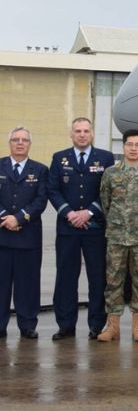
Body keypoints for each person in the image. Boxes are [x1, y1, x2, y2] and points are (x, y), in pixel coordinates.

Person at [47, 117, 115, 340]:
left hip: (95, 228)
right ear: (71, 134)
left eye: (86, 131)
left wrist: (89, 212)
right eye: (78, 131)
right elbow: (53, 190)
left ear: (92, 133)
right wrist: (70, 213)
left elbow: (108, 191)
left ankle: (97, 325)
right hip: (68, 228)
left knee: (98, 278)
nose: (82, 134)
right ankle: (66, 325)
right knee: (66, 276)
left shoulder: (105, 158)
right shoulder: (59, 158)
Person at [95, 129, 138, 342]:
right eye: (129, 144)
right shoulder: (111, 174)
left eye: (137, 145)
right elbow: (106, 202)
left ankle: (137, 327)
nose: (133, 148)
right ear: (123, 147)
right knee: (113, 281)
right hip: (116, 237)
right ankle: (112, 327)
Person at [0, 127, 48, 339]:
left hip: (28, 237)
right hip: (2, 236)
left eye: (24, 140)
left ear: (30, 144)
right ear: (9, 143)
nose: (20, 143)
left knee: (27, 285)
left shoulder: (40, 170)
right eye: (16, 140)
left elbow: (41, 200)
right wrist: (5, 218)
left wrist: (19, 218)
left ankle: (27, 325)